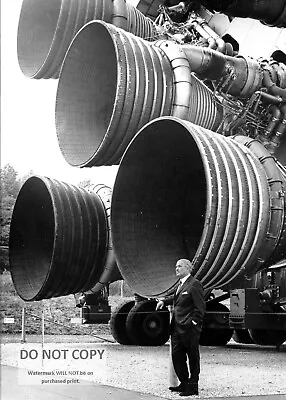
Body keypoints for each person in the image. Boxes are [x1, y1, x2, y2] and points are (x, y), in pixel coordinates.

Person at [156, 258, 205, 396]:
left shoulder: (194, 284)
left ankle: (193, 386)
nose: (176, 268)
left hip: (189, 328)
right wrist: (163, 302)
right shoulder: (181, 285)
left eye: (179, 266)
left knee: (192, 357)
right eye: (176, 266)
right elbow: (177, 299)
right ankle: (184, 383)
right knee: (177, 356)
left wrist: (193, 323)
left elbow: (200, 308)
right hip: (176, 328)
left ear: (188, 268)